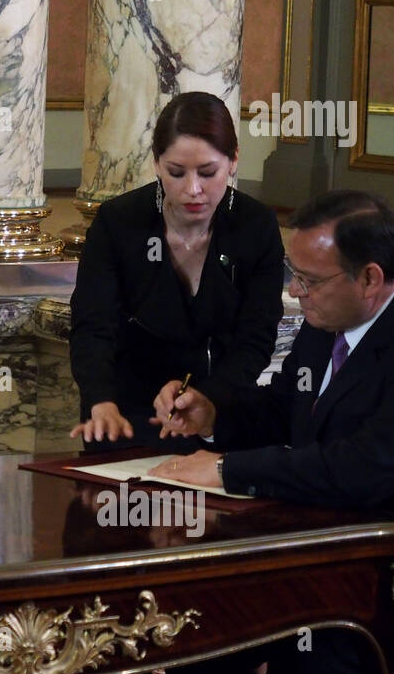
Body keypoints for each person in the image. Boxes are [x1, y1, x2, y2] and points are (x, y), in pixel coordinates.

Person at [153, 189, 394, 674]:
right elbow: (290, 410)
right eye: (295, 273)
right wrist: (214, 412)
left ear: (369, 278)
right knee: (192, 627)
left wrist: (226, 470)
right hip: (334, 556)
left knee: (307, 666)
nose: (295, 291)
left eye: (310, 280)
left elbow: (357, 471)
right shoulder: (331, 323)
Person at [69, 91, 285, 451]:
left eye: (207, 172)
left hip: (217, 409)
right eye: (176, 173)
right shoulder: (119, 222)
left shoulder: (256, 226)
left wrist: (207, 399)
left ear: (233, 161)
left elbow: (256, 338)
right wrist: (100, 399)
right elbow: (93, 325)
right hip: (126, 414)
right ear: (156, 164)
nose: (193, 189)